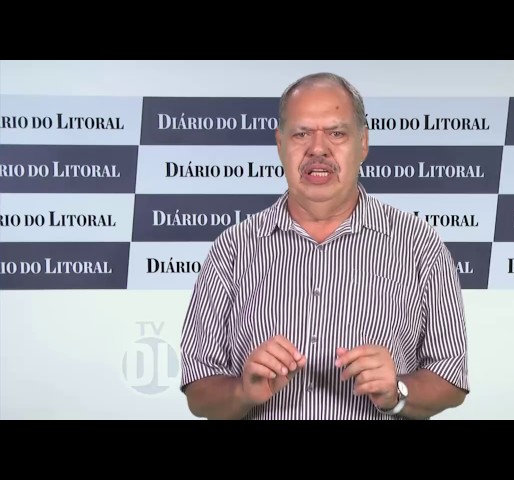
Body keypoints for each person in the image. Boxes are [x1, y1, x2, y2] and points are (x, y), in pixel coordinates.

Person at [179, 72, 469, 420]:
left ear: (363, 143)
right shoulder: (232, 249)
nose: (318, 149)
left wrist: (398, 391)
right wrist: (242, 391)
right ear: (280, 144)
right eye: (301, 133)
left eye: (336, 133)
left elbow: (451, 377)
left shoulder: (419, 244)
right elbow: (198, 391)